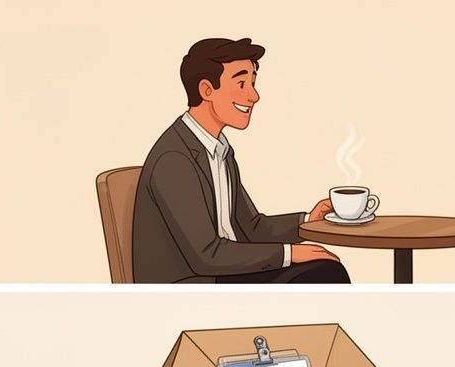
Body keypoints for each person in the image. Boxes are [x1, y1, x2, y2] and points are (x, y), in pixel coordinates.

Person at [132, 38, 349, 283]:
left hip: (223, 272)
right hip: (192, 283)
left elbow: (251, 227)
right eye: (242, 84)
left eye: (253, 83)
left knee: (323, 268)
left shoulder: (219, 150)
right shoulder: (174, 158)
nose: (254, 96)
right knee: (324, 273)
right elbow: (206, 255)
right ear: (206, 90)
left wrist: (309, 220)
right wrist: (289, 253)